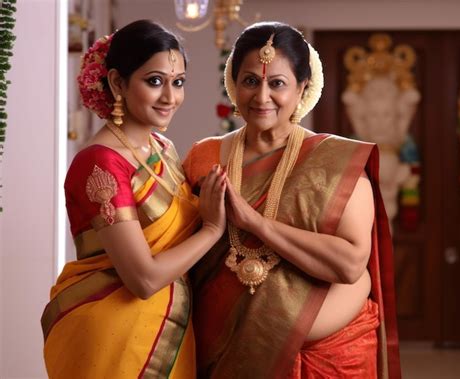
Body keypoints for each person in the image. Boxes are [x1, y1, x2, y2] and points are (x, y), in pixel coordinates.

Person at [183, 21, 401, 378]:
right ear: (233, 85)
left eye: (277, 83)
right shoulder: (203, 158)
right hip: (227, 349)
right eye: (250, 81)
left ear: (302, 88)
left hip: (332, 359)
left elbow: (349, 266)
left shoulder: (335, 164)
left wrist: (255, 224)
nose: (262, 96)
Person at [41, 20, 226, 379]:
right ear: (117, 82)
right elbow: (143, 279)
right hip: (118, 338)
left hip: (169, 328)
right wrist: (213, 229)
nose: (170, 97)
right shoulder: (100, 163)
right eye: (154, 81)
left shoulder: (164, 149)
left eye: (178, 82)